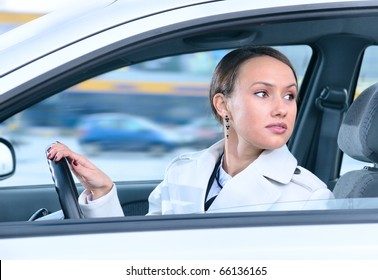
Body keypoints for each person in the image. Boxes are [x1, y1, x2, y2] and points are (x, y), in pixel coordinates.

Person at [47, 46, 334, 217]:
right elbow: (142, 253)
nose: (282, 108)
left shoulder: (310, 197)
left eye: (289, 96)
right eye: (262, 93)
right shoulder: (182, 171)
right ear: (223, 105)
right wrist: (102, 191)